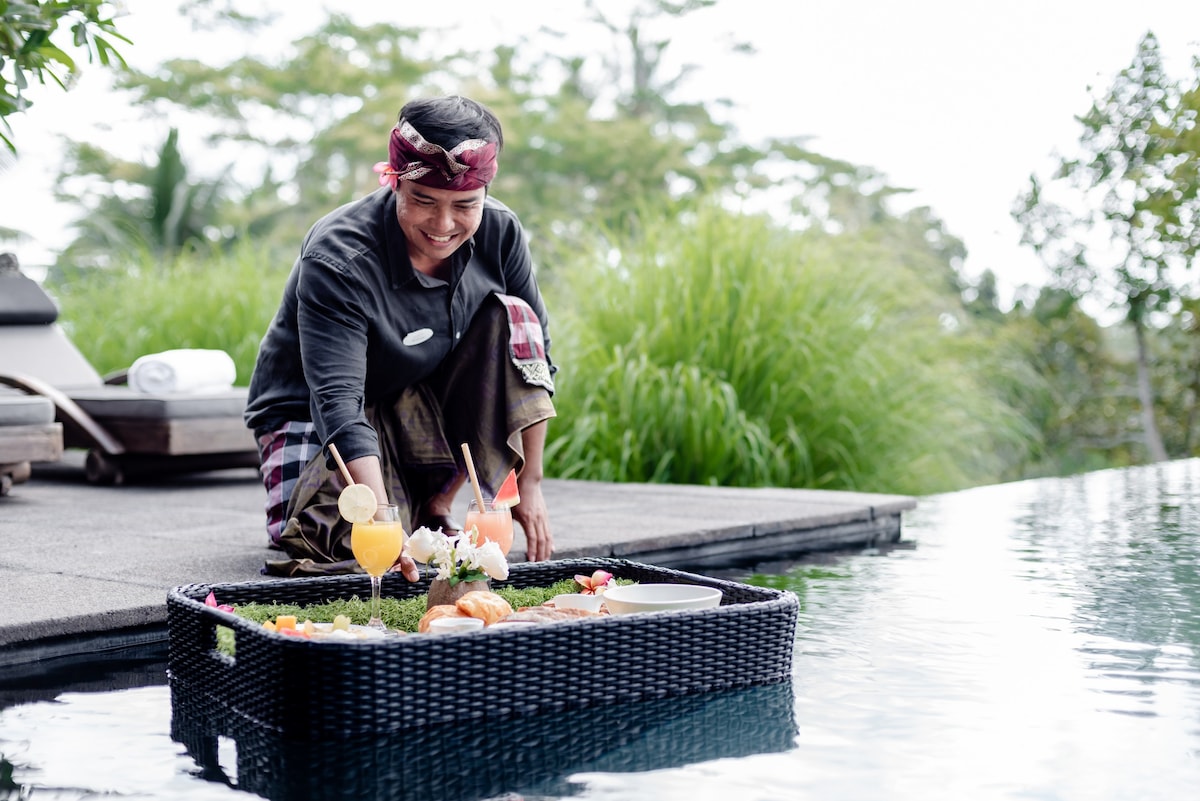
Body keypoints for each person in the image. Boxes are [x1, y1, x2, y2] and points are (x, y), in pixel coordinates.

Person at [244, 95, 556, 578]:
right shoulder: (337, 256)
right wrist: (381, 523)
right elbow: (338, 406)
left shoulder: (501, 233)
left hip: (416, 398)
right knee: (336, 550)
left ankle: (434, 504)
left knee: (514, 316)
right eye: (423, 201)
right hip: (313, 412)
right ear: (393, 182)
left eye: (465, 206)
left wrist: (528, 484)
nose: (443, 225)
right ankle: (399, 511)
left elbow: (534, 358)